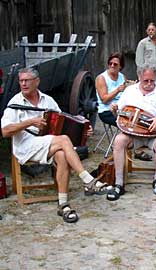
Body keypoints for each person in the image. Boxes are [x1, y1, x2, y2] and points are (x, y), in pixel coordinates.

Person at [1, 68, 109, 223]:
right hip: (25, 146)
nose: (23, 84)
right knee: (64, 140)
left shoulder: (48, 100)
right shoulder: (15, 103)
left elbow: (63, 122)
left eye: (27, 80)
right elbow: (4, 131)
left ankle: (63, 204)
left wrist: (84, 131)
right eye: (21, 81)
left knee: (62, 155)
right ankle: (88, 180)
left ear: (37, 82)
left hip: (46, 144)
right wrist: (30, 122)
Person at [107, 65, 156, 201]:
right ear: (139, 77)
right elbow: (121, 112)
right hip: (133, 134)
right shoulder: (130, 91)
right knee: (118, 141)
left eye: (152, 81)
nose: (149, 84)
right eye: (146, 80)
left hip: (155, 135)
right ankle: (118, 184)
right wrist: (114, 109)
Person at [135, 22, 156, 89]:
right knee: (147, 92)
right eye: (149, 30)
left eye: (152, 30)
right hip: (147, 74)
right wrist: (141, 74)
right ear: (147, 31)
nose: (150, 32)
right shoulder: (143, 43)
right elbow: (139, 60)